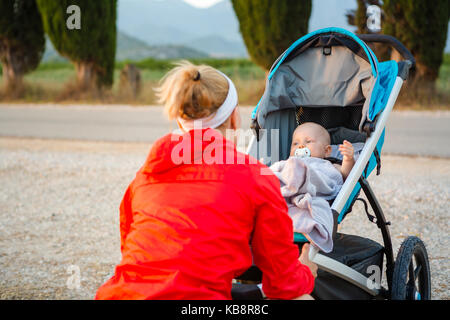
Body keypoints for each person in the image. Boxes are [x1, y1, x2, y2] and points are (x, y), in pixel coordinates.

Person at [95, 61, 317, 300]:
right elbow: (282, 284)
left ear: (180, 122)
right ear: (234, 118)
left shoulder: (144, 177)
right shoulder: (255, 177)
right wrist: (306, 272)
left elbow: (133, 247)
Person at [290, 122, 355, 180]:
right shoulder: (289, 164)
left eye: (308, 141)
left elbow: (345, 175)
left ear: (326, 151)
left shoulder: (328, 165)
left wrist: (348, 159)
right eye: (295, 143)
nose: (301, 146)